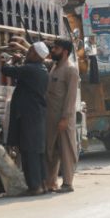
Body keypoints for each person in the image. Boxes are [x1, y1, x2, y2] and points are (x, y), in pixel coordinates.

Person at [2, 40, 50, 196]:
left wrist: (12, 59)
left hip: (29, 116)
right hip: (35, 115)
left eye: (29, 52)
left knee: (29, 151)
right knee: (37, 152)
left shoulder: (31, 69)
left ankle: (35, 186)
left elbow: (6, 69)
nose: (27, 54)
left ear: (36, 55)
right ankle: (43, 184)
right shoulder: (41, 69)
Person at [45, 39, 80, 194]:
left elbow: (71, 97)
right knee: (51, 151)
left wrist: (65, 118)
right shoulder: (54, 67)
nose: (52, 50)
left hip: (63, 118)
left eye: (56, 48)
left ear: (65, 51)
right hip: (50, 118)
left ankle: (67, 183)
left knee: (66, 151)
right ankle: (51, 183)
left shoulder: (71, 69)